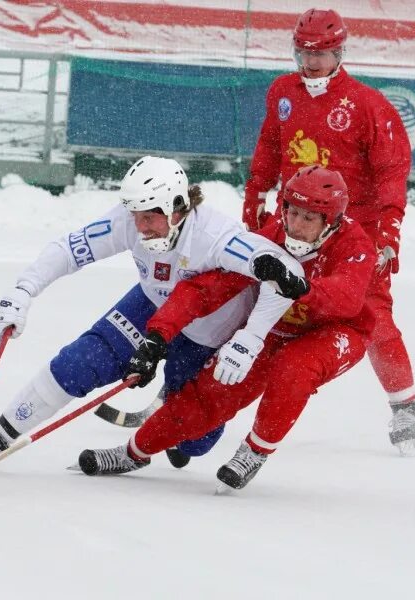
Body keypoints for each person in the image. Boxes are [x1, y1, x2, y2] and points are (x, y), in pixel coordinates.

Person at [0, 156, 303, 471]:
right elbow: (69, 249)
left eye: (149, 218)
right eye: (135, 216)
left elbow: (285, 273)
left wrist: (251, 334)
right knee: (78, 363)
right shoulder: (131, 218)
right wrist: (23, 291)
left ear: (178, 208)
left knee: (193, 443)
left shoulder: (214, 235)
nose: (139, 227)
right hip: (150, 306)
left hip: (205, 335)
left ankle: (172, 403)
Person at [78, 166, 377, 490]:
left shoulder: (356, 245)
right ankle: (134, 453)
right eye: (292, 212)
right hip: (273, 328)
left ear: (331, 220)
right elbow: (207, 288)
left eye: (309, 218)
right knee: (209, 393)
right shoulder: (268, 240)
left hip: (336, 331)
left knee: (293, 371)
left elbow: (346, 299)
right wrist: (160, 332)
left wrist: (303, 288)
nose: (296, 225)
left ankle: (255, 450)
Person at [241, 8, 415, 455]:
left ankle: (404, 405)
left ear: (341, 52)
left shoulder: (368, 105)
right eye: (302, 53)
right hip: (291, 223)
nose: (310, 63)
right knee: (238, 294)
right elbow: (269, 145)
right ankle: (181, 389)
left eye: (319, 54)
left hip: (353, 237)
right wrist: (255, 194)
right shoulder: (282, 91)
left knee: (374, 317)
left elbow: (391, 175)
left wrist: (388, 235)